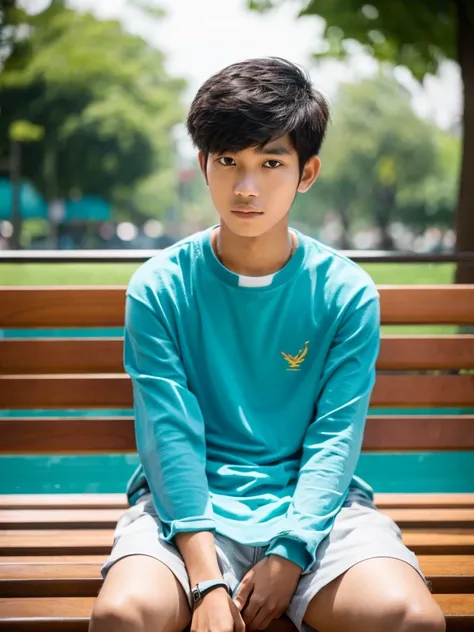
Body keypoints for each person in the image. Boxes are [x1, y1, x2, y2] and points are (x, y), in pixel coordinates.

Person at [89, 58, 445, 632]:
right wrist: (205, 579)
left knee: (411, 619)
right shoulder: (159, 287)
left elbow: (335, 437)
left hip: (317, 516)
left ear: (307, 173)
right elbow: (169, 439)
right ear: (204, 164)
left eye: (271, 162)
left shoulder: (346, 293)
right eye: (228, 161)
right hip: (186, 516)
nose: (246, 186)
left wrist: (291, 552)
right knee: (123, 616)